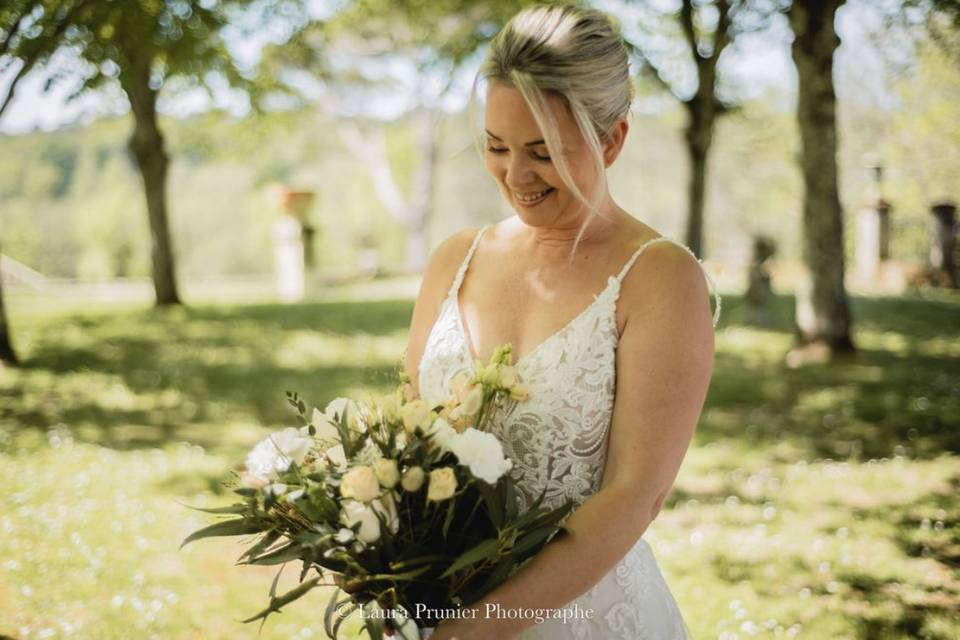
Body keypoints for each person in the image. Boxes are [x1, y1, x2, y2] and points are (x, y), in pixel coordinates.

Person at [402, 5, 720, 639]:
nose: (515, 175)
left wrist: (477, 629)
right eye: (496, 146)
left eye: (543, 152)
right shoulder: (455, 260)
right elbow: (406, 440)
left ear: (612, 139)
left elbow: (635, 496)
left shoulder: (660, 278)